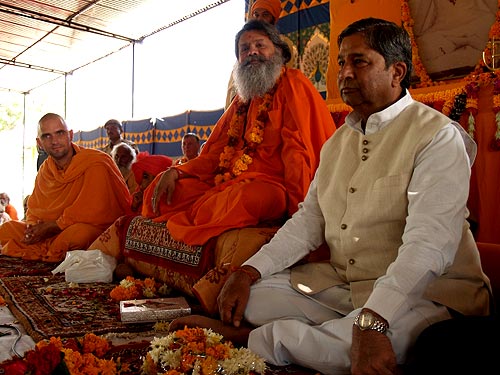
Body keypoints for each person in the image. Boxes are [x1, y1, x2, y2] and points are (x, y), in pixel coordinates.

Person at [169, 18, 491, 374]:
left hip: (427, 293)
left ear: (397, 71)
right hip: (346, 286)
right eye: (341, 63)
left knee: (382, 339)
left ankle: (254, 340)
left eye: (359, 61)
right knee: (256, 298)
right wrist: (248, 272)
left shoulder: (436, 137)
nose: (345, 73)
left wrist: (374, 320)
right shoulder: (338, 142)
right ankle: (311, 335)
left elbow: (428, 246)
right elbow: (309, 221)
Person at [143, 19, 335, 246]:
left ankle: (199, 219)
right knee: (163, 189)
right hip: (228, 181)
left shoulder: (292, 85)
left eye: (260, 45)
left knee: (239, 199)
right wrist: (179, 172)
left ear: (278, 52)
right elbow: (215, 154)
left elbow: (299, 154)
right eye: (245, 49)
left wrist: (299, 216)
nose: (252, 51)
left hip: (273, 187)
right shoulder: (241, 101)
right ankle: (200, 213)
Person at [0, 113, 132, 262]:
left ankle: (51, 251)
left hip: (87, 228)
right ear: (39, 143)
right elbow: (36, 208)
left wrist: (55, 226)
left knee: (78, 236)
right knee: (6, 229)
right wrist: (33, 229)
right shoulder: (45, 170)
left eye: (60, 133)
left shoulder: (96, 162)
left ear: (70, 135)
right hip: (49, 233)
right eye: (47, 136)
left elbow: (95, 210)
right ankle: (50, 251)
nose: (54, 141)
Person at [225, 0, 296, 109]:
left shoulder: (283, 44)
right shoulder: (245, 48)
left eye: (265, 15)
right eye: (256, 14)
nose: (259, 19)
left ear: (273, 18)